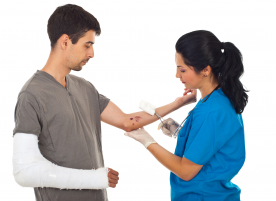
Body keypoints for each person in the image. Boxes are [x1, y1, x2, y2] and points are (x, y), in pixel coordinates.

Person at [12, 4, 197, 201]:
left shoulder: (85, 88)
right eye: (87, 45)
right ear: (65, 41)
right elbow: (25, 171)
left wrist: (179, 103)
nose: (91, 54)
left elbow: (127, 121)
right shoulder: (32, 95)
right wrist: (92, 179)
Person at [125, 30, 248, 201]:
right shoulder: (215, 98)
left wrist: (147, 141)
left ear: (205, 70)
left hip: (203, 196)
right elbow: (210, 143)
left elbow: (186, 171)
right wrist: (180, 130)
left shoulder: (212, 112)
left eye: (182, 70)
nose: (177, 75)